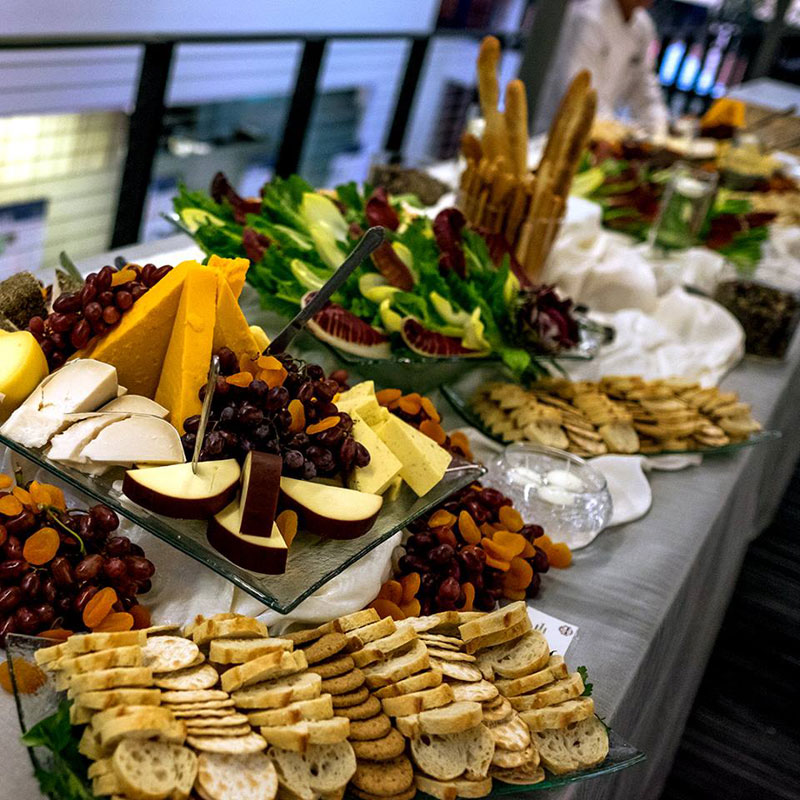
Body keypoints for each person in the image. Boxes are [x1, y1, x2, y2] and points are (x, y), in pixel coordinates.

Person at [535, 0, 669, 136]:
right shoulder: (588, 16)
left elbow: (645, 86)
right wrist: (611, 132)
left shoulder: (643, 27)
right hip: (560, 130)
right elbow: (581, 90)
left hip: (601, 130)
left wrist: (658, 129)